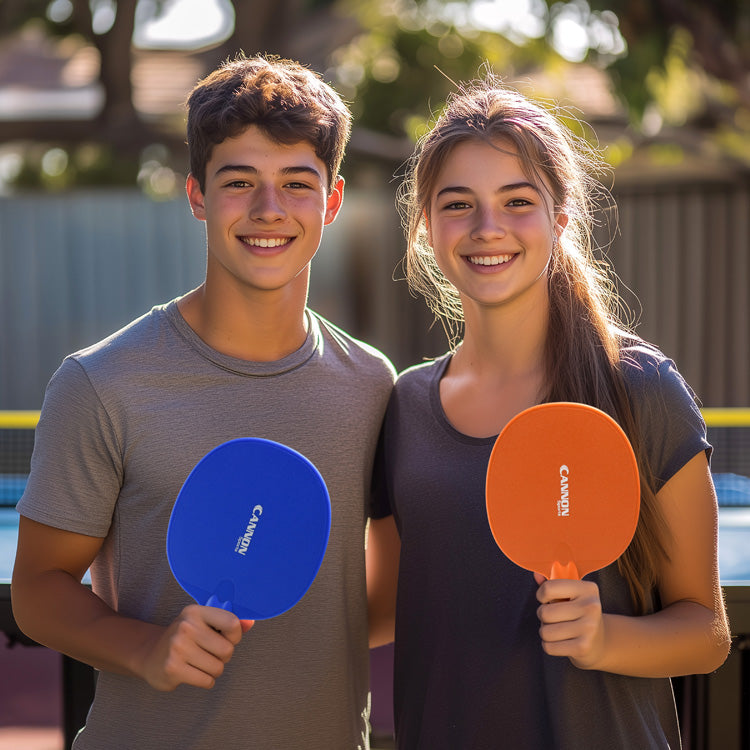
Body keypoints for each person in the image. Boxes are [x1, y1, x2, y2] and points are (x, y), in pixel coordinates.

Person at [12, 54, 395, 749]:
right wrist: (147, 650)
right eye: (239, 181)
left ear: (333, 201)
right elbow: (38, 589)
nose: (268, 210)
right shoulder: (102, 382)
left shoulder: (372, 384)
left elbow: (378, 598)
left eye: (296, 184)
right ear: (196, 194)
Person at [366, 75, 731, 749]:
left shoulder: (640, 388)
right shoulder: (405, 405)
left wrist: (604, 637)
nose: (487, 228)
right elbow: (381, 610)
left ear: (560, 219)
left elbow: (706, 634)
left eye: (516, 201)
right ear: (426, 226)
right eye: (457, 204)